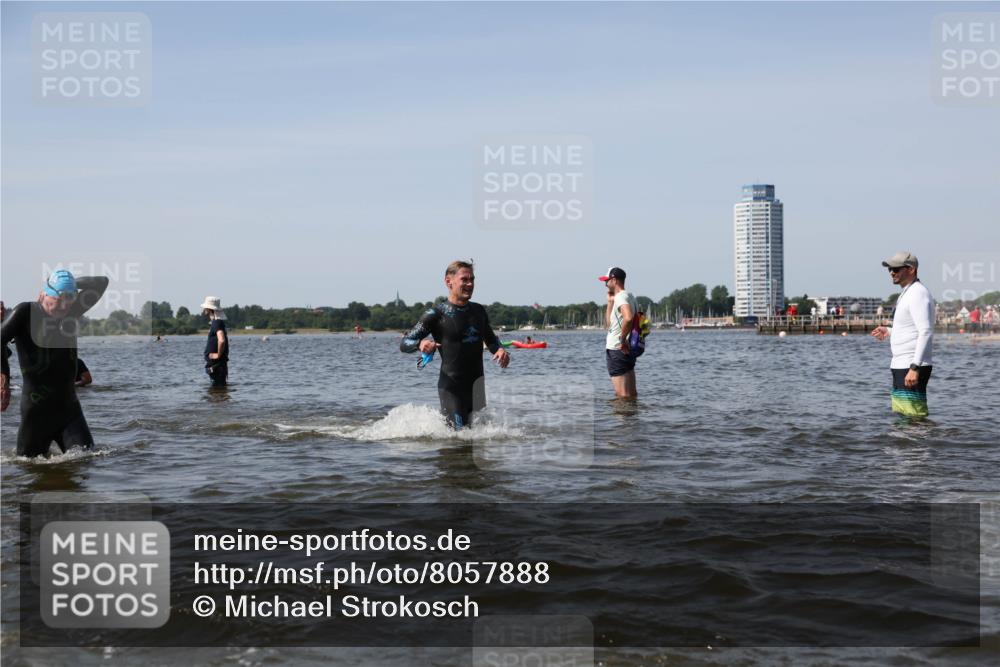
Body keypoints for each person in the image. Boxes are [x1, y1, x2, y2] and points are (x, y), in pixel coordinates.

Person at [1, 270, 108, 457]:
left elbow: (102, 282)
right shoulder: (26, 313)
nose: (64, 307)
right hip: (36, 414)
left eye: (69, 301)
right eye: (58, 302)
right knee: (27, 469)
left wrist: (72, 285)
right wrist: (4, 379)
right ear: (44, 294)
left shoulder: (71, 310)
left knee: (86, 461)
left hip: (69, 412)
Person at [400, 260, 509, 428]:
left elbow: (491, 340)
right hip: (452, 387)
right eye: (464, 279)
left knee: (478, 443)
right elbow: (405, 342)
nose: (470, 284)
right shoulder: (436, 314)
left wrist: (500, 350)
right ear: (448, 282)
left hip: (477, 386)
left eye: (472, 279)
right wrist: (421, 344)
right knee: (459, 436)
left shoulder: (478, 311)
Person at [871, 252, 934, 418]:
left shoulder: (917, 293)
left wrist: (915, 367)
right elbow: (910, 328)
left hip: (911, 366)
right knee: (904, 417)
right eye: (890, 269)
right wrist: (889, 331)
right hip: (901, 365)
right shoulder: (907, 292)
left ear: (911, 269)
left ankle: (921, 444)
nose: (892, 272)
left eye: (896, 269)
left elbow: (925, 331)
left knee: (914, 417)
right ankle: (906, 444)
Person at [600, 266, 638, 398]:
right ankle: (633, 418)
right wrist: (610, 302)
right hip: (626, 350)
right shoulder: (629, 296)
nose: (605, 285)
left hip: (618, 350)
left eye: (607, 281)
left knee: (621, 396)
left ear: (614, 280)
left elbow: (628, 318)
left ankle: (623, 418)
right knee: (631, 394)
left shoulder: (621, 298)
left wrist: (622, 340)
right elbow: (608, 325)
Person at [201, 296, 229, 387]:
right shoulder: (216, 322)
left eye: (205, 307)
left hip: (217, 366)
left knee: (217, 393)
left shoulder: (217, 323)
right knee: (218, 394)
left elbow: (221, 340)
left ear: (209, 309)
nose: (204, 309)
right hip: (217, 366)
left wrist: (218, 355)